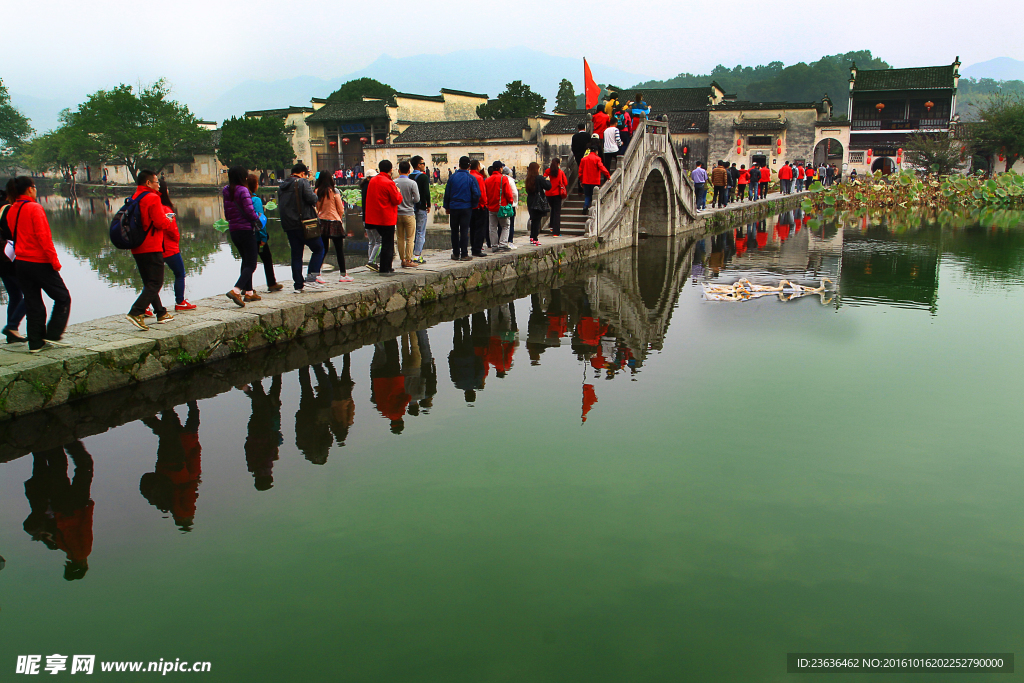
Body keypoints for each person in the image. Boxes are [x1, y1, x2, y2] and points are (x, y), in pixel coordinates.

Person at [6, 177, 71, 351]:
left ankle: (35, 342)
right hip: (39, 262)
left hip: (21, 263)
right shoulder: (35, 208)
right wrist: (54, 261)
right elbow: (44, 237)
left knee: (33, 302)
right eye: (34, 187)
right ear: (29, 189)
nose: (35, 190)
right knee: (63, 297)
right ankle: (53, 334)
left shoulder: (12, 210)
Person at [22, 441, 94, 580]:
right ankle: (52, 444)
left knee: (85, 467)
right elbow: (59, 528)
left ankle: (69, 441)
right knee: (58, 472)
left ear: (84, 565)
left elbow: (86, 527)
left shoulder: (83, 552)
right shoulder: (64, 548)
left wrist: (89, 507)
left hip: (76, 507)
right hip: (60, 509)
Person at [139, 402, 202, 532]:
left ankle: (148, 414)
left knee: (170, 435)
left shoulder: (187, 509)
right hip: (163, 469)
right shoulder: (169, 507)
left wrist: (195, 480)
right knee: (167, 436)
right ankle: (162, 408)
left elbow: (188, 490)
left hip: (177, 467)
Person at [124, 170, 173, 329]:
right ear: (148, 183)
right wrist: (169, 220)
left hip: (137, 246)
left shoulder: (134, 197)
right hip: (151, 245)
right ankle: (136, 312)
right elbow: (159, 223)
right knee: (156, 282)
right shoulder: (152, 198)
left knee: (149, 282)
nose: (159, 185)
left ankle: (161, 312)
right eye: (156, 182)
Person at [277, 163, 326, 291]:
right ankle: (312, 276)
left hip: (289, 225)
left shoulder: (282, 186)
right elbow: (312, 199)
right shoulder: (302, 182)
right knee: (319, 248)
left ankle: (298, 284)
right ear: (303, 173)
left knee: (296, 254)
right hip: (304, 223)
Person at [222, 166, 262, 307]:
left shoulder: (226, 190)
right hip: (246, 229)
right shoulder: (243, 190)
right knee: (251, 263)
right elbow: (250, 212)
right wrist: (258, 217)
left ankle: (249, 292)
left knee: (245, 261)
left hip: (234, 230)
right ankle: (236, 289)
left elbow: (227, 213)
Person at [156, 179, 195, 311]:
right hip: (170, 248)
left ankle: (145, 306)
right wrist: (177, 239)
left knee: (153, 280)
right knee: (179, 273)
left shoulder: (153, 208)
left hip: (156, 248)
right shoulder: (166, 209)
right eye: (167, 188)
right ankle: (180, 301)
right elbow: (172, 230)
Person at [364, 160, 403, 275]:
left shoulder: (373, 180)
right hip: (386, 217)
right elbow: (397, 200)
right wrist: (398, 192)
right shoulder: (389, 182)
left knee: (380, 242)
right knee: (388, 243)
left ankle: (382, 266)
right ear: (391, 170)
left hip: (373, 217)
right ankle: (386, 268)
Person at [244, 375, 283, 491]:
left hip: (265, 431)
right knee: (257, 407)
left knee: (263, 405)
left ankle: (247, 389)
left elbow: (270, 448)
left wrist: (275, 447)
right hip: (253, 431)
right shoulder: (252, 466)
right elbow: (247, 448)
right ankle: (253, 378)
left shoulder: (266, 465)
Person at [247, 174, 283, 292]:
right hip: (257, 236)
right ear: (255, 186)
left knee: (247, 262)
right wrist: (263, 237)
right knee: (266, 258)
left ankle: (247, 287)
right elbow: (259, 219)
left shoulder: (243, 200)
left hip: (246, 235)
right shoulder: (255, 200)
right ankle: (271, 283)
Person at [315, 172, 353, 282]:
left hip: (322, 221)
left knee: (323, 249)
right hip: (334, 220)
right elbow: (340, 208)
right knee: (339, 249)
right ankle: (343, 275)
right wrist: (339, 217)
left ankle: (317, 273)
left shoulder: (317, 191)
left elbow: (317, 207)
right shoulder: (334, 191)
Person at [0, 189, 27, 343]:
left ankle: (12, 333)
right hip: (10, 258)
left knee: (15, 295)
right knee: (30, 294)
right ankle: (11, 326)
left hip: (1, 261)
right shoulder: (8, 210)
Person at [442, 155, 481, 261]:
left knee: (454, 230)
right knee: (464, 230)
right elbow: (477, 193)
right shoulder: (471, 178)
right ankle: (464, 254)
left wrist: (447, 206)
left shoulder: (452, 177)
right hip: (466, 207)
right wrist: (473, 204)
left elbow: (447, 193)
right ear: (469, 166)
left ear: (459, 165)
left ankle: (455, 253)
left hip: (454, 207)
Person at [394, 160, 421, 267]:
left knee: (400, 238)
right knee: (410, 238)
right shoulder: (412, 183)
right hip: (409, 213)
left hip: (397, 214)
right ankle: (409, 260)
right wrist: (410, 199)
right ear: (409, 171)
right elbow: (417, 199)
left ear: (399, 171)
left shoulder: (394, 182)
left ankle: (402, 259)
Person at [484, 162, 515, 252]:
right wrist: (511, 202)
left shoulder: (487, 180)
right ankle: (503, 244)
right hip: (502, 207)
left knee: (492, 227)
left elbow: (485, 194)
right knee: (505, 225)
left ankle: (494, 245)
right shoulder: (503, 179)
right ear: (500, 168)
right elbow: (508, 193)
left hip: (491, 207)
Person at [409, 155, 431, 264]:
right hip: (421, 206)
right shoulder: (423, 177)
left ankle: (408, 255)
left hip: (409, 208)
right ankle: (417, 255)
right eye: (423, 163)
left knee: (410, 233)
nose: (424, 165)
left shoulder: (408, 177)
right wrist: (429, 204)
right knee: (420, 231)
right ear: (418, 165)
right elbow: (427, 192)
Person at [525, 162, 551, 245]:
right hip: (537, 200)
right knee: (537, 220)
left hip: (530, 199)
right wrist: (547, 180)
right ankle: (535, 238)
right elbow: (548, 186)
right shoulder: (539, 178)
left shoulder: (528, 178)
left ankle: (532, 237)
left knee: (533, 219)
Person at [360, 170, 380, 271]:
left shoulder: (364, 187)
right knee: (379, 241)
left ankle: (372, 261)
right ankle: (371, 261)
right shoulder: (370, 187)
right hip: (372, 218)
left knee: (371, 241)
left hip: (365, 217)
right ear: (368, 178)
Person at [468, 160, 488, 256]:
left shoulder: (467, 176)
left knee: (472, 228)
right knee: (480, 228)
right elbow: (482, 193)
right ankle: (477, 249)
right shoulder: (479, 177)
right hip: (479, 206)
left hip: (469, 206)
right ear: (478, 167)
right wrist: (484, 204)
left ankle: (473, 246)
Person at [544, 158, 567, 237]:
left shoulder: (547, 171)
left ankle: (551, 226)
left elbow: (544, 180)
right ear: (558, 164)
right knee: (557, 212)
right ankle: (556, 232)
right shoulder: (560, 172)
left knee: (553, 209)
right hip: (557, 194)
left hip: (548, 194)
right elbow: (566, 182)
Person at [502, 166, 518, 247]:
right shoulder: (510, 180)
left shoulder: (499, 178)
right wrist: (514, 203)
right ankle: (509, 241)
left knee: (499, 225)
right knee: (510, 224)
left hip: (500, 205)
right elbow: (514, 193)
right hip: (509, 205)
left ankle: (500, 242)